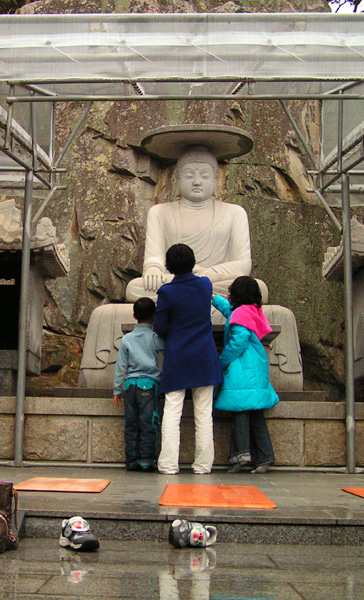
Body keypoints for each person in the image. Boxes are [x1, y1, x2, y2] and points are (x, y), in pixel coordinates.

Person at [125, 144, 251, 302]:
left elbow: (243, 264)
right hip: (175, 280)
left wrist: (206, 274)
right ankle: (196, 290)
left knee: (255, 287)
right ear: (177, 179)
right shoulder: (159, 212)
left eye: (204, 176)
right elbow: (154, 257)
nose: (197, 182)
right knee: (135, 287)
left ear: (215, 180)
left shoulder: (235, 213)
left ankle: (191, 288)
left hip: (214, 281)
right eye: (189, 176)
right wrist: (153, 268)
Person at [154, 243, 224, 475]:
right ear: (193, 262)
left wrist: (174, 336)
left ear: (168, 265)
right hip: (204, 354)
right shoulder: (205, 285)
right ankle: (203, 465)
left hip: (178, 355)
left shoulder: (166, 292)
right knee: (204, 413)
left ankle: (168, 465)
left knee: (172, 411)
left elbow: (160, 326)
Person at [211, 276, 279, 474]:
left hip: (242, 370)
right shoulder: (252, 310)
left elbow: (238, 341)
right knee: (256, 415)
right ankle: (265, 458)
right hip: (255, 369)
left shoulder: (241, 313)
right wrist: (213, 297)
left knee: (240, 413)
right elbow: (230, 312)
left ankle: (241, 456)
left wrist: (221, 361)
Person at [113, 297, 166, 472]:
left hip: (129, 386)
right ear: (154, 316)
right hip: (148, 385)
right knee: (148, 422)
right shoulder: (154, 338)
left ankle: (131, 460)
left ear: (134, 315)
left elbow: (121, 366)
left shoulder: (127, 338)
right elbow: (166, 348)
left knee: (131, 423)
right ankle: (146, 459)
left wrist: (117, 389)